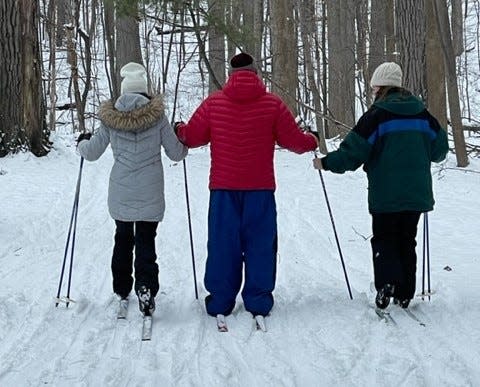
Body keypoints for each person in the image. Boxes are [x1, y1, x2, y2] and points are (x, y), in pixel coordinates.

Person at [175, 53, 319, 320]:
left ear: (231, 74)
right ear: (255, 74)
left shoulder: (214, 103)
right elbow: (295, 142)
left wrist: (180, 129)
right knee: (260, 244)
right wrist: (312, 139)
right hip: (260, 188)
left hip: (223, 188)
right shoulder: (272, 104)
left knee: (222, 243)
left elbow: (192, 137)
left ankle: (220, 301)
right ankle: (258, 300)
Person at [313, 62, 448, 309]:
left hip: (385, 195)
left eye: (374, 86)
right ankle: (406, 292)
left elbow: (352, 153)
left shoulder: (377, 115)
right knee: (407, 239)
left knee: (385, 238)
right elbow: (440, 151)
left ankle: (387, 284)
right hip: (416, 194)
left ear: (380, 87)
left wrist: (326, 163)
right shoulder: (422, 115)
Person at [77, 62, 188, 316]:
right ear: (144, 90)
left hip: (121, 193)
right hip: (150, 193)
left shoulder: (110, 119)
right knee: (146, 241)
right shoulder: (158, 117)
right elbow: (176, 152)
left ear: (124, 90)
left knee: (123, 240)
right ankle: (146, 287)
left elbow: (92, 152)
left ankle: (121, 288)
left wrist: (82, 142)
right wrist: (184, 139)